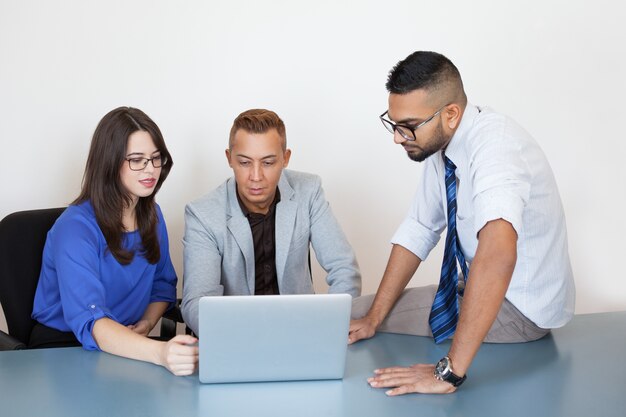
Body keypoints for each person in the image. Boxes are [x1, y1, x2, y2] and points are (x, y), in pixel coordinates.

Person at [348, 51, 575, 395]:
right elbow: (420, 227)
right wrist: (373, 318)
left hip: (519, 310)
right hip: (478, 286)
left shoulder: (496, 148)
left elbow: (498, 253)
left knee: (343, 317)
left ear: (451, 114)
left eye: (407, 126)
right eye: (393, 123)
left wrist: (447, 374)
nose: (397, 136)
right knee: (360, 316)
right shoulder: (443, 144)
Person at [31, 107, 198, 376]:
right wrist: (159, 352)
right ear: (109, 162)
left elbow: (162, 285)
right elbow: (92, 322)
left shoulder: (152, 215)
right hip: (64, 348)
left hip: (125, 344)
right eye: (136, 159)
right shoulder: (75, 228)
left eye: (156, 158)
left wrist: (146, 322)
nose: (150, 169)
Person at [182, 109, 361, 335]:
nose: (256, 176)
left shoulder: (309, 190)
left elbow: (344, 269)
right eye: (245, 163)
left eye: (267, 163)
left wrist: (328, 327)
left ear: (285, 159)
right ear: (229, 159)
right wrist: (235, 338)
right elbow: (197, 301)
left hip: (301, 332)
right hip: (235, 336)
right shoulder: (202, 214)